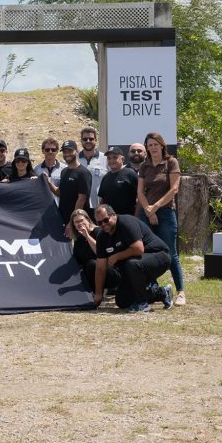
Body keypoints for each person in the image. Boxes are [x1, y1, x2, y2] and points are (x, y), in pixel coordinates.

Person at [92, 204, 173, 312]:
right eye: (99, 223)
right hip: (135, 266)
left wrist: (117, 256)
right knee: (122, 301)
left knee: (132, 264)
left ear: (113, 215)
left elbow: (138, 249)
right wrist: (98, 294)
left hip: (159, 256)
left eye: (106, 220)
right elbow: (100, 268)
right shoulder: (101, 237)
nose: (103, 224)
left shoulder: (126, 222)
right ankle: (161, 293)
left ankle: (142, 303)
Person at [137, 131, 186, 306]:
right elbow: (140, 192)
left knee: (170, 252)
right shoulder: (144, 166)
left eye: (155, 144)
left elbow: (174, 189)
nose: (153, 148)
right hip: (147, 212)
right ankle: (154, 289)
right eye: (150, 145)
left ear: (162, 145)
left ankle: (180, 292)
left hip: (165, 212)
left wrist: (155, 208)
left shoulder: (171, 162)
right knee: (147, 253)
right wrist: (149, 211)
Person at [68, 208, 120, 296]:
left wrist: (87, 236)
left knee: (91, 264)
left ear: (88, 220)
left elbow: (101, 252)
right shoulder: (78, 240)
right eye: (76, 222)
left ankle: (100, 292)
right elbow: (77, 261)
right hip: (92, 275)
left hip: (110, 271)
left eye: (81, 220)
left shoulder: (99, 232)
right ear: (74, 225)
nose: (79, 223)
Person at [55, 140, 91, 235]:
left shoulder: (84, 173)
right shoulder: (64, 171)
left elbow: (81, 199)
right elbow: (61, 193)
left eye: (70, 151)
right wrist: (47, 182)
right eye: (65, 152)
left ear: (77, 152)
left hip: (78, 223)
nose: (67, 154)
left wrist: (72, 222)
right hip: (63, 219)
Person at [98, 146, 139, 217]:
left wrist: (136, 216)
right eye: (109, 158)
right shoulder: (106, 177)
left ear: (122, 159)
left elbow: (140, 197)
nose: (111, 160)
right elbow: (103, 200)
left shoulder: (130, 174)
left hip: (128, 218)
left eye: (115, 157)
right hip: (109, 220)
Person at [78, 126, 106, 215]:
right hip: (79, 207)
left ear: (96, 140)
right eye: (85, 139)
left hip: (100, 207)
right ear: (81, 141)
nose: (88, 141)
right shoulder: (75, 159)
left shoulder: (105, 158)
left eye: (91, 139)